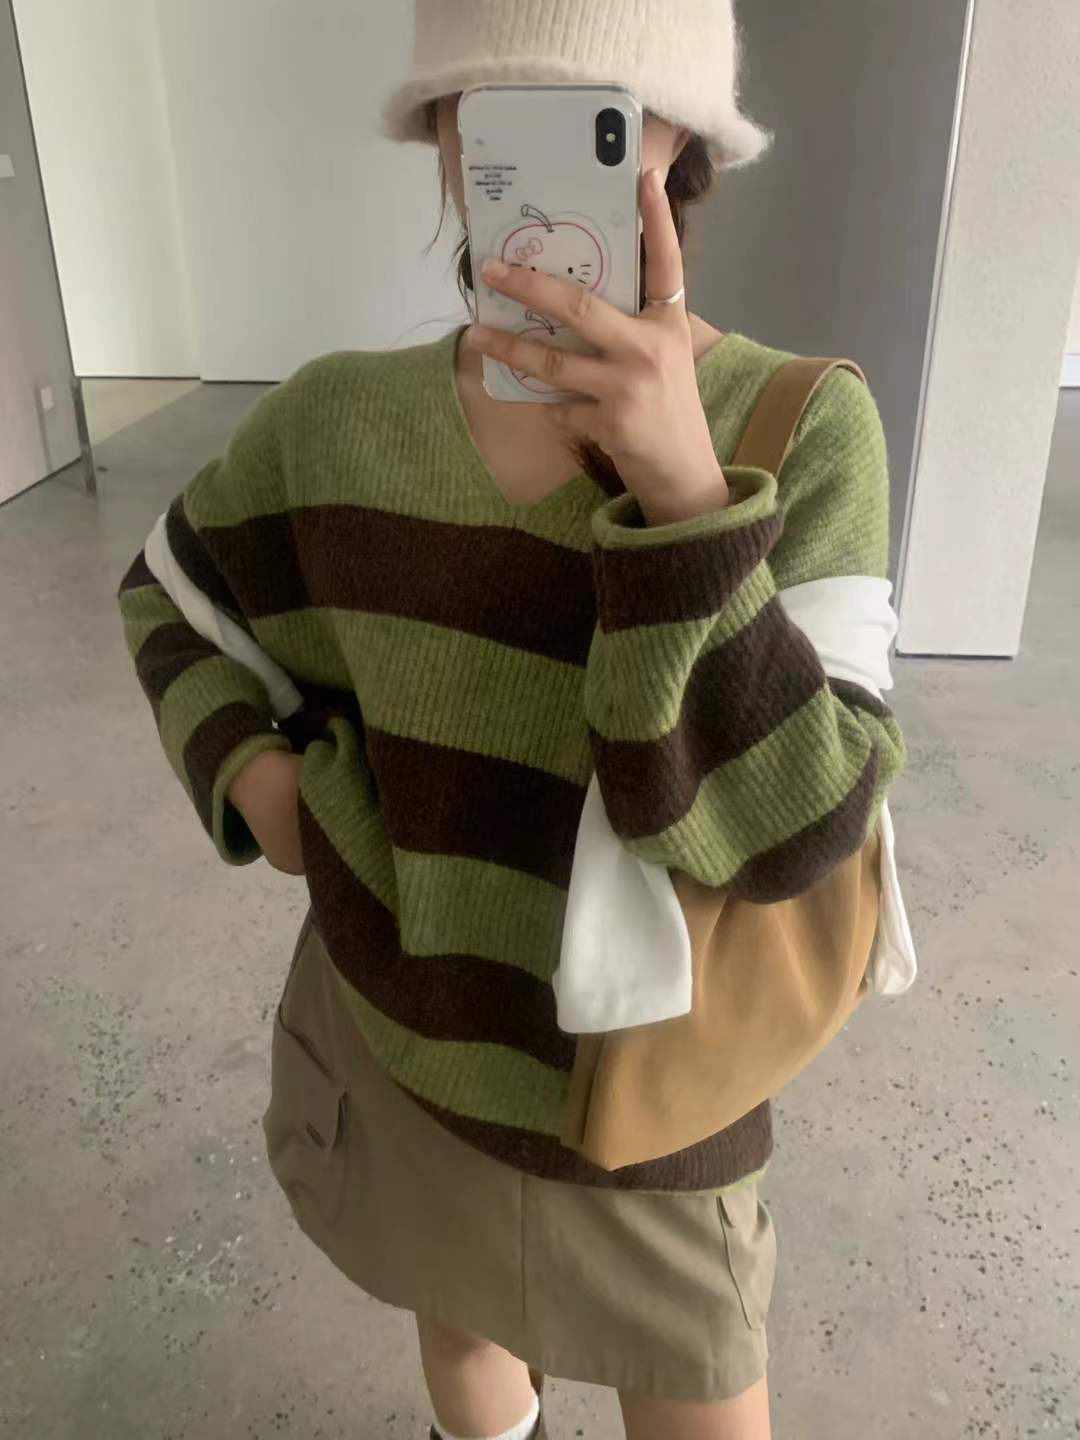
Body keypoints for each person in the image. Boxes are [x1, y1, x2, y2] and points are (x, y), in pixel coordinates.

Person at [117, 3, 906, 1437]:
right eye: (492, 110)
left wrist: (688, 503)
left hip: (660, 1100)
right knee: (467, 1354)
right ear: (441, 140)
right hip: (407, 1037)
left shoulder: (800, 431)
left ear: (679, 146)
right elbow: (175, 592)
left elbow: (799, 834)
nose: (538, 158)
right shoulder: (338, 422)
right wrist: (258, 785)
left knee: (701, 1396)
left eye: (601, 118)